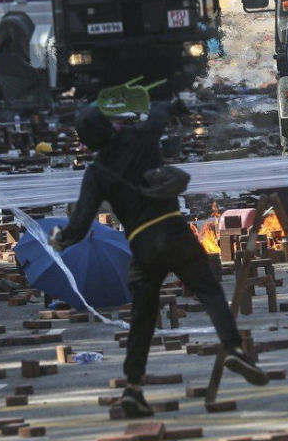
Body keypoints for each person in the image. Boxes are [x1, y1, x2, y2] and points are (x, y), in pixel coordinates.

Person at [54, 99, 267, 418]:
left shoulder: (96, 174)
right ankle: (233, 347)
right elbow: (159, 113)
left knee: (142, 317)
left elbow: (81, 223)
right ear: (111, 124)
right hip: (173, 231)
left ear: (86, 143)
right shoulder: (140, 136)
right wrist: (171, 104)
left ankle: (134, 390)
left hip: (143, 246)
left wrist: (60, 239)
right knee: (209, 291)